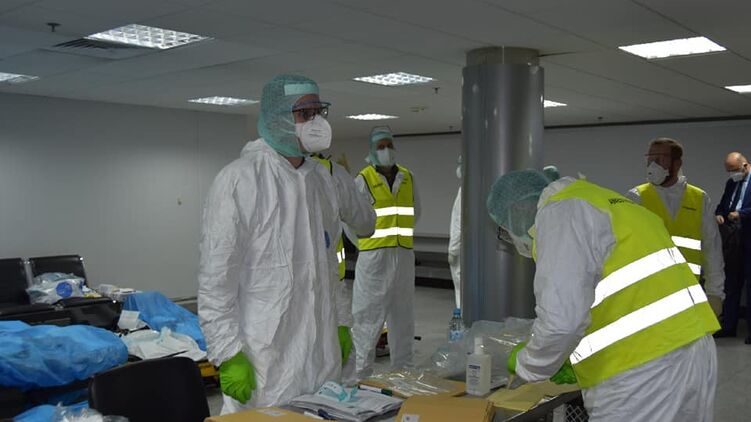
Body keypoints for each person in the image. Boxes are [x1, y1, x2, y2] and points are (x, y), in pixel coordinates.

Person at [489, 169, 719, 421]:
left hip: (643, 370)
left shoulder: (559, 214)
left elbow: (561, 323)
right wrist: (574, 356)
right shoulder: (604, 202)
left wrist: (528, 364)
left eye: (505, 230)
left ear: (516, 211)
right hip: (694, 349)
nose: (511, 237)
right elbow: (620, 294)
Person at [198, 74, 353, 413]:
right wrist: (227, 353)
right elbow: (216, 282)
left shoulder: (321, 181)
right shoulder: (239, 180)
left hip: (321, 350)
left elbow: (332, 262)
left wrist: (341, 321)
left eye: (319, 111)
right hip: (265, 357)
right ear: (276, 117)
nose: (315, 122)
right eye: (304, 113)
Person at [626, 138, 724, 316]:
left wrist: (715, 293)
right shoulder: (637, 197)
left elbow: (712, 249)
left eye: (659, 159)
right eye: (650, 159)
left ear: (677, 163)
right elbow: (625, 249)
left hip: (688, 292)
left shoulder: (699, 199)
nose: (652, 165)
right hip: (649, 293)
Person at [352, 126, 421, 378]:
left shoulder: (408, 177)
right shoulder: (362, 180)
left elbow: (416, 211)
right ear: (372, 150)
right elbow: (351, 221)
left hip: (403, 256)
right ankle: (359, 377)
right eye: (380, 146)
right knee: (367, 319)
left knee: (403, 318)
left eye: (389, 145)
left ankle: (403, 375)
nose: (386, 150)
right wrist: (365, 243)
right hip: (374, 259)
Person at [310, 152, 377, 381]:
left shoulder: (330, 174)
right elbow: (365, 224)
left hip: (328, 283)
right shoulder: (332, 173)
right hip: (330, 283)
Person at [714, 152, 751, 342]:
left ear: (745, 165)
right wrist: (719, 214)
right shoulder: (731, 183)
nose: (732, 174)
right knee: (732, 283)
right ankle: (729, 326)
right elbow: (722, 205)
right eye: (729, 171)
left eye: (734, 170)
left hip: (748, 236)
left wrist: (741, 214)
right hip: (732, 238)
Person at [448, 155, 462, 309]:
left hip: (461, 252)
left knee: (461, 289)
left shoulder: (465, 191)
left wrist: (453, 250)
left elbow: (459, 224)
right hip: (469, 250)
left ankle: (463, 318)